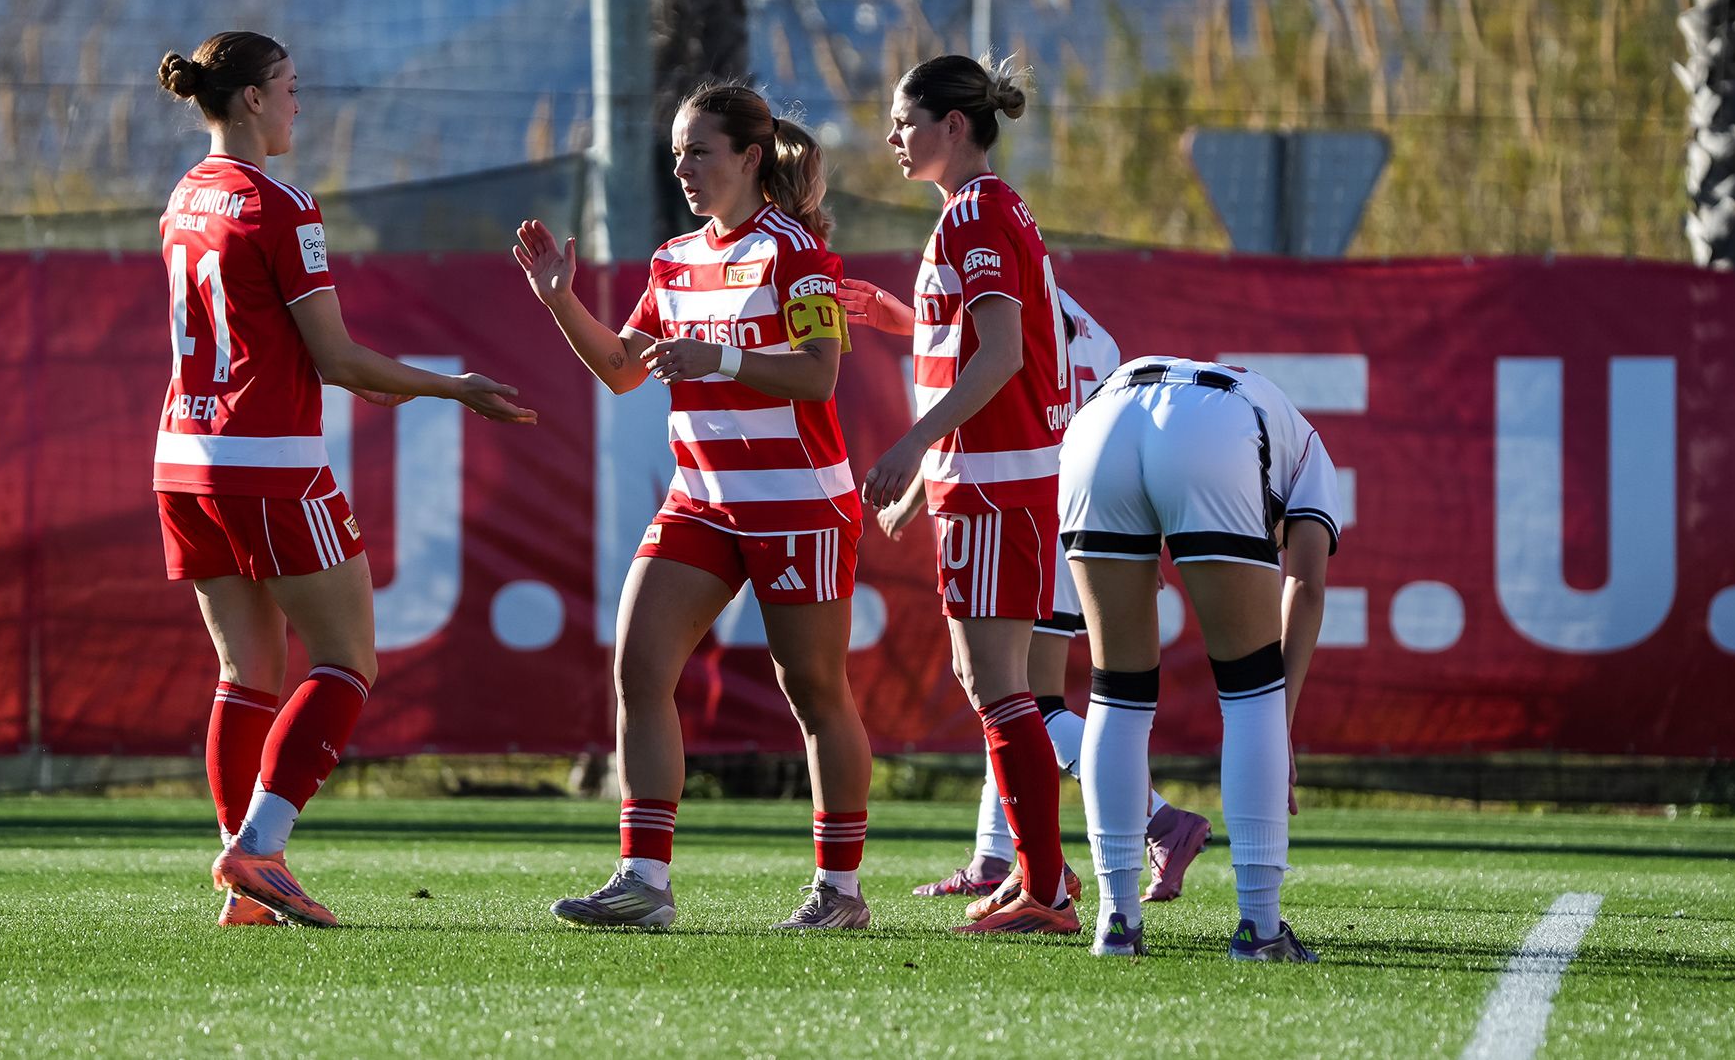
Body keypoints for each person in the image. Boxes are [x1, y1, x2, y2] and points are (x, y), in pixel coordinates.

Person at [154, 31, 535, 928]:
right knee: (347, 659)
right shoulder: (278, 203)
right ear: (250, 98)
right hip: (269, 461)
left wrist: (381, 379)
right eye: (289, 87)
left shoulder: (184, 195)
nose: (298, 102)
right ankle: (260, 847)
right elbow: (335, 358)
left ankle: (247, 870)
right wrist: (451, 386)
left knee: (245, 669)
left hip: (181, 456)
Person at [517, 82, 874, 932]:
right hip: (702, 499)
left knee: (814, 689)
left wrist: (716, 355)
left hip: (797, 502)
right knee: (639, 666)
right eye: (677, 152)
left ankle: (841, 893)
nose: (683, 166)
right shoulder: (673, 259)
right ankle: (644, 879)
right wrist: (559, 298)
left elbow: (820, 373)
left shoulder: (795, 252)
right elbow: (621, 366)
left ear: (750, 158)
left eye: (699, 150)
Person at [855, 286, 1214, 908]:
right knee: (1008, 692)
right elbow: (1116, 436)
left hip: (1025, 510)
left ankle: (1161, 821)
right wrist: (1137, 533)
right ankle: (995, 856)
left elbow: (981, 397)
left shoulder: (1007, 307)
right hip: (1078, 516)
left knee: (1019, 700)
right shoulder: (1096, 335)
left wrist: (912, 497)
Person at [850, 54, 1077, 935]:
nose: (893, 137)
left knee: (996, 681)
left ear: (953, 124)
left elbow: (1001, 354)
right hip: (991, 478)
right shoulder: (990, 207)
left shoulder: (976, 213)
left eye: (904, 120)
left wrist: (913, 445)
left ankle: (1045, 886)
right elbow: (989, 335)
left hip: (995, 482)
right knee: (991, 679)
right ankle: (1039, 877)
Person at [1061, 356, 1337, 961]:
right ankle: (1260, 929)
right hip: (1212, 428)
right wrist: (1281, 720)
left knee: (1117, 691)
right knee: (1252, 692)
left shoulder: (1267, 407)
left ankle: (1116, 922)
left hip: (1098, 421)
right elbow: (1307, 585)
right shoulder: (1310, 448)